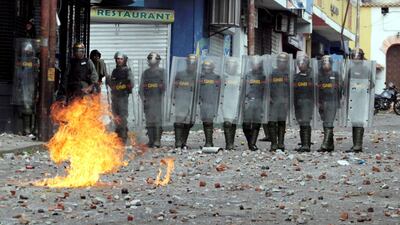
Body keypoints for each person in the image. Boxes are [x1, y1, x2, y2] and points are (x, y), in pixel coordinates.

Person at [346, 49, 374, 153]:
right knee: (354, 121)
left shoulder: (366, 70)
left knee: (359, 121)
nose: (355, 58)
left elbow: (372, 84)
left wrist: (360, 87)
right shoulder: (351, 69)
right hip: (352, 99)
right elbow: (346, 84)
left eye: (357, 56)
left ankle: (358, 145)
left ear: (362, 57)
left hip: (362, 99)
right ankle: (355, 145)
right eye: (354, 56)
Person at [11, 39, 39, 135]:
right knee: (26, 107)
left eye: (29, 52)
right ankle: (26, 129)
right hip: (25, 86)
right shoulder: (21, 63)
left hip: (33, 87)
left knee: (35, 108)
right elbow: (18, 75)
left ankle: (34, 129)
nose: (27, 54)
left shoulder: (36, 62)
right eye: (26, 52)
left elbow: (38, 75)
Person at [139, 52, 166, 148]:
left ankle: (157, 141)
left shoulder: (162, 72)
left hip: (157, 100)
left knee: (157, 121)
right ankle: (151, 141)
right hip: (148, 101)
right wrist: (144, 99)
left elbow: (165, 87)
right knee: (149, 121)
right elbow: (141, 89)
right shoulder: (145, 73)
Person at [172, 54, 198, 149]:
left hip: (192, 101)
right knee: (179, 121)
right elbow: (174, 86)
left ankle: (183, 142)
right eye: (190, 63)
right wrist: (173, 98)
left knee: (189, 122)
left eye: (193, 63)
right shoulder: (180, 74)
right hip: (181, 99)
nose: (192, 65)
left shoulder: (197, 75)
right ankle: (178, 142)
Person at [107, 52, 134, 143]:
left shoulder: (127, 71)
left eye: (121, 59)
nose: (119, 60)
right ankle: (118, 136)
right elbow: (112, 85)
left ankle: (123, 137)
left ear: (124, 60)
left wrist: (123, 86)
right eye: (117, 59)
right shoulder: (114, 71)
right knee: (116, 116)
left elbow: (131, 84)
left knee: (122, 117)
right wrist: (109, 80)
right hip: (115, 97)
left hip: (123, 97)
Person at [317, 55, 342, 152]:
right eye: (323, 62)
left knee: (329, 122)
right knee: (325, 122)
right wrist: (318, 102)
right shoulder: (319, 75)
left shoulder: (336, 74)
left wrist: (339, 101)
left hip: (332, 101)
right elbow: (317, 90)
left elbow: (340, 89)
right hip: (322, 101)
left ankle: (325, 144)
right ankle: (330, 145)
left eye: (327, 62)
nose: (325, 64)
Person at [267, 52, 291, 152]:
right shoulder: (272, 73)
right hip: (273, 101)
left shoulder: (289, 73)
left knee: (281, 122)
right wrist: (268, 97)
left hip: (284, 101)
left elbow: (292, 89)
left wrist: (288, 99)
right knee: (272, 122)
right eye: (280, 61)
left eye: (283, 61)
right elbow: (268, 86)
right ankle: (273, 143)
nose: (281, 63)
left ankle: (281, 143)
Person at [242, 55, 265, 151]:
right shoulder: (247, 75)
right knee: (246, 124)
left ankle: (252, 144)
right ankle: (250, 141)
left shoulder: (263, 76)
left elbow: (266, 90)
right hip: (248, 101)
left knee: (256, 123)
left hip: (259, 102)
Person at [293, 54, 314, 152]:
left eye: (303, 63)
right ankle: (304, 143)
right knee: (301, 123)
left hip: (307, 103)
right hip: (298, 103)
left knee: (305, 123)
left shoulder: (312, 76)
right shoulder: (296, 77)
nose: (301, 65)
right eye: (299, 63)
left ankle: (306, 145)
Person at [198, 59, 221, 147]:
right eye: (205, 66)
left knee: (209, 121)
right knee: (205, 121)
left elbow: (218, 90)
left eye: (208, 66)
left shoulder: (216, 77)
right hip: (202, 102)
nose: (206, 68)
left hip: (212, 102)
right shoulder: (200, 77)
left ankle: (209, 142)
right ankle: (208, 141)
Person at [221, 58, 241, 150]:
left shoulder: (240, 77)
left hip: (235, 101)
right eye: (229, 65)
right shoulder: (223, 77)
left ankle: (231, 142)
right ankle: (228, 143)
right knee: (227, 123)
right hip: (226, 101)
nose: (231, 67)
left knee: (233, 123)